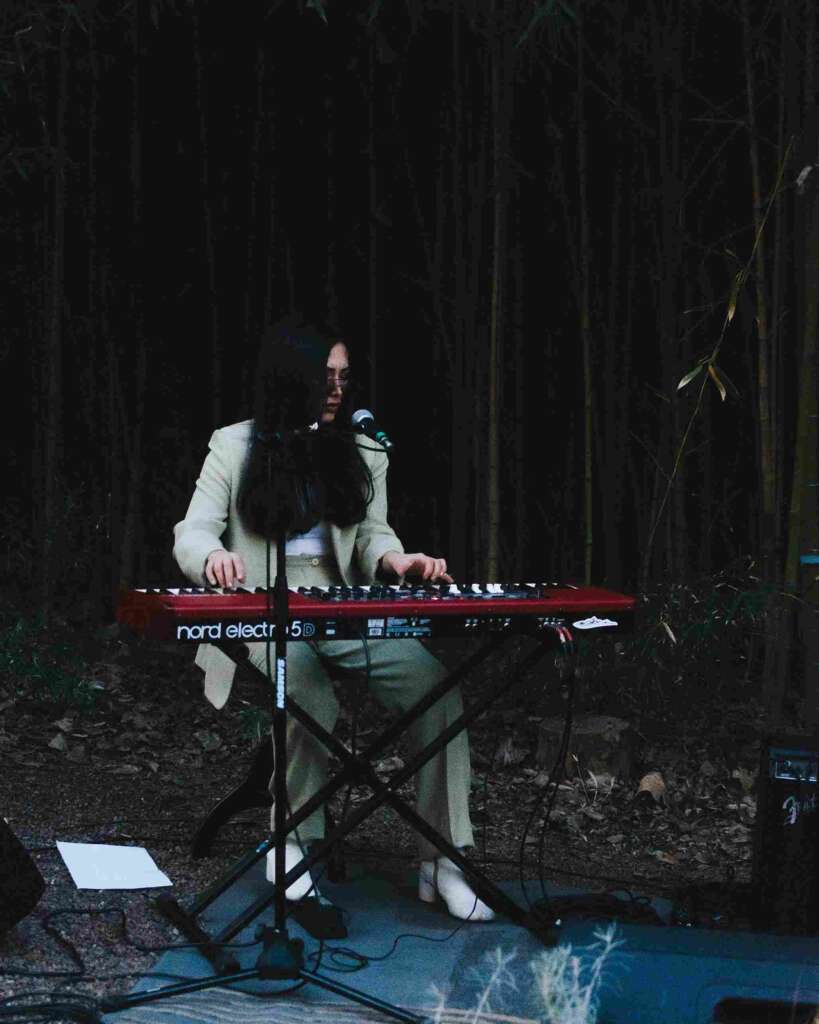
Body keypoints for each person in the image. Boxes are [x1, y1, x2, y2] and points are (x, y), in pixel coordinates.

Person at [173, 318, 493, 922]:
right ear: (289, 378)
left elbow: (372, 533)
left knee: (436, 689)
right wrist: (212, 556)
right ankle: (293, 842)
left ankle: (443, 858)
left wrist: (397, 560)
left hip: (342, 607)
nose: (338, 391)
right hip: (263, 610)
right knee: (308, 695)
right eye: (325, 378)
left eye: (345, 378)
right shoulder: (234, 445)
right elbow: (192, 529)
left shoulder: (364, 448)